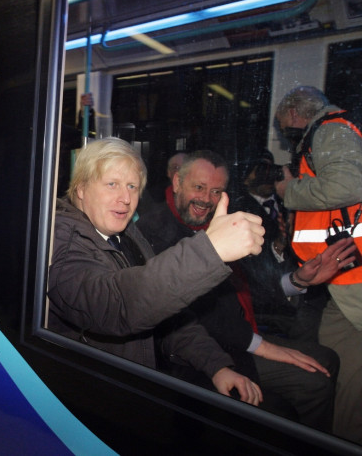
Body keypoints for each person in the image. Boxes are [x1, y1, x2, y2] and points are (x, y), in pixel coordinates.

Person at [47, 138, 269, 406]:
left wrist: (217, 366)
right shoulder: (60, 238)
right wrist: (211, 251)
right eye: (112, 184)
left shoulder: (127, 234)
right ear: (81, 188)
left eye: (132, 186)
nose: (126, 199)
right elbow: (116, 304)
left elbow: (168, 316)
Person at [138, 150, 344, 431]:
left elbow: (247, 286)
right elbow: (191, 319)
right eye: (198, 187)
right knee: (315, 384)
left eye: (216, 191)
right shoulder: (154, 231)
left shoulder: (220, 223)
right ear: (176, 183)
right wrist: (264, 347)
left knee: (329, 358)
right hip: (207, 352)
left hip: (243, 331)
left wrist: (298, 280)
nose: (205, 199)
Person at [274, 85, 362, 443]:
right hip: (340, 271)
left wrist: (289, 191)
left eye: (286, 128)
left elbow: (348, 185)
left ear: (296, 114)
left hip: (349, 276)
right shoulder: (341, 132)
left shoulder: (329, 131)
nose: (288, 136)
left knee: (344, 372)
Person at [230, 150, 331, 342]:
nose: (267, 175)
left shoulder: (290, 202)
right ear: (245, 178)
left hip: (306, 278)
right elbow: (253, 267)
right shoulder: (240, 209)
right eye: (260, 170)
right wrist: (278, 246)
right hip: (271, 293)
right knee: (309, 321)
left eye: (271, 169)